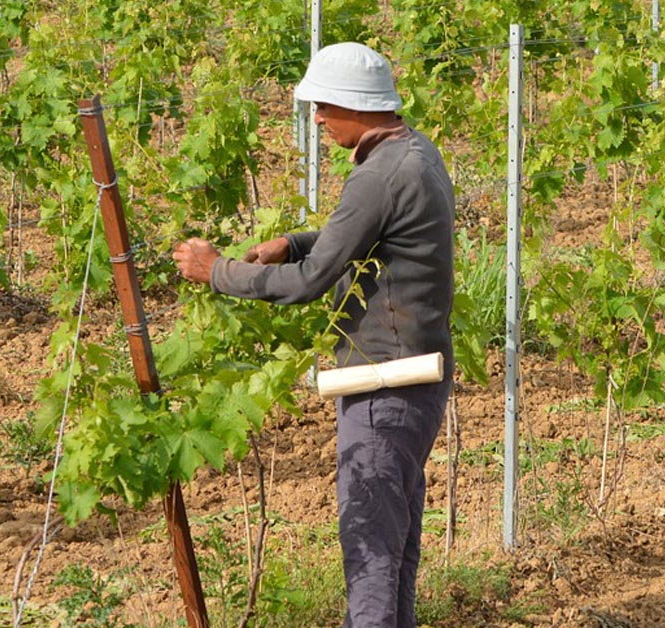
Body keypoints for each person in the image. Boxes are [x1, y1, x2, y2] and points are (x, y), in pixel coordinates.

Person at [172, 41, 454, 628]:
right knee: (395, 549)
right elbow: (361, 236)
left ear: (355, 104)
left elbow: (307, 283)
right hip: (417, 381)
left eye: (324, 105)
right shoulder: (416, 153)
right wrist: (295, 241)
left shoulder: (378, 175)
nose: (318, 118)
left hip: (384, 385)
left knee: (371, 550)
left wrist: (215, 270)